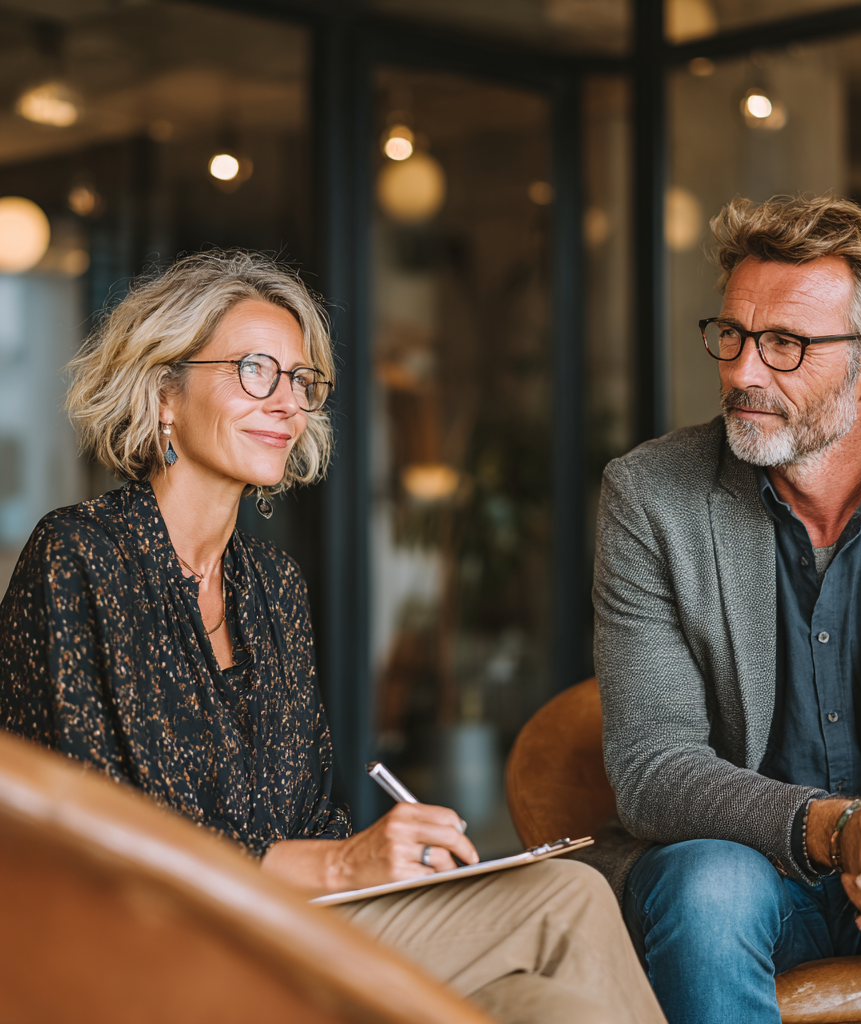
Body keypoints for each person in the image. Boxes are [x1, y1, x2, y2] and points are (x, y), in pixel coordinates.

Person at [0, 250, 666, 1024]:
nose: (286, 402)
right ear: (164, 393)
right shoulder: (79, 556)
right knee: (567, 897)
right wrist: (347, 860)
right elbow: (103, 838)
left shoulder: (273, 588)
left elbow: (316, 820)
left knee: (542, 1006)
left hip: (290, 925)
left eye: (300, 380)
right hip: (145, 946)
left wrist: (382, 858)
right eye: (255, 370)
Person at [593, 194, 861, 1024]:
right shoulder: (650, 496)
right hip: (751, 870)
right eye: (733, 335)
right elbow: (654, 766)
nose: (743, 372)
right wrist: (839, 829)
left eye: (786, 344)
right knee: (707, 892)